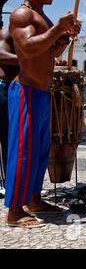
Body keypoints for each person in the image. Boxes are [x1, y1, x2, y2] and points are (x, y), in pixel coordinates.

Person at [6, 0, 81, 227]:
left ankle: (34, 199)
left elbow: (48, 51)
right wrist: (57, 29)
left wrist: (66, 37)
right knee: (23, 151)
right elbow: (27, 48)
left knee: (39, 151)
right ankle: (15, 211)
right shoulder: (21, 14)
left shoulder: (43, 17)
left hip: (41, 92)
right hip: (25, 91)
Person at [0, 29, 19, 198]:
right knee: (6, 137)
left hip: (9, 86)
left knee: (9, 137)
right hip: (3, 86)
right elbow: (1, 55)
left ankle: (8, 181)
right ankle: (5, 182)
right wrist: (28, 60)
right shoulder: (5, 35)